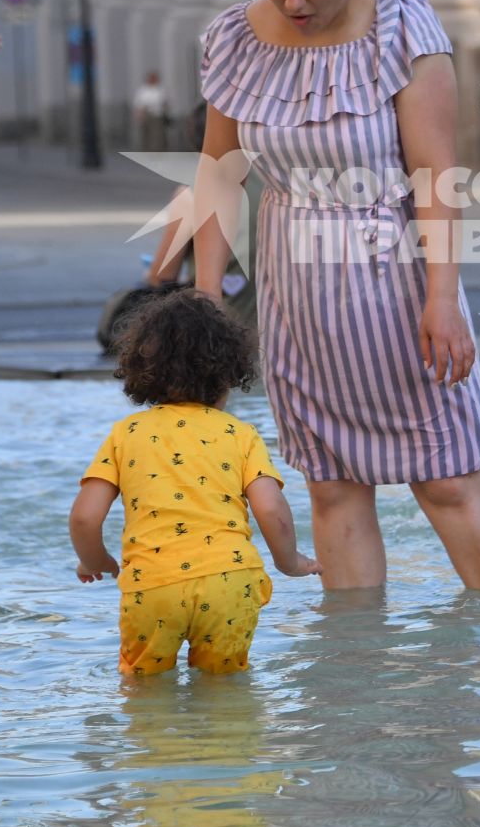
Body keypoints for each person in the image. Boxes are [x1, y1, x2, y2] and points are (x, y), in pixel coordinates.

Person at [188, 0, 480, 592]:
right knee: (331, 486)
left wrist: (442, 297)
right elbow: (219, 172)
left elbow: (435, 173)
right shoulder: (233, 39)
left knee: (447, 479)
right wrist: (208, 295)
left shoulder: (402, 24)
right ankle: (354, 684)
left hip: (398, 285)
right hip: (294, 295)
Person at [70, 287, 319, 677]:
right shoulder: (240, 434)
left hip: (153, 588)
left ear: (141, 371)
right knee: (226, 691)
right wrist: (290, 562)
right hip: (229, 583)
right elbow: (271, 509)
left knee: (145, 692)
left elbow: (85, 518)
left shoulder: (126, 433)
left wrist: (94, 560)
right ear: (230, 372)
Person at [132, 70, 170, 153]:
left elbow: (165, 102)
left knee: (157, 135)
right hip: (146, 114)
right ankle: (146, 151)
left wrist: (165, 112)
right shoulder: (143, 90)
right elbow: (138, 103)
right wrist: (139, 114)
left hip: (157, 114)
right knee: (146, 134)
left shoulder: (160, 89)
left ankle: (157, 151)